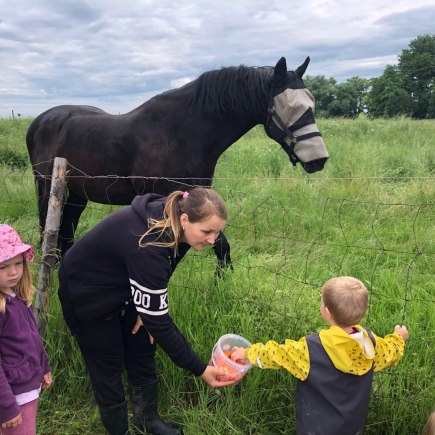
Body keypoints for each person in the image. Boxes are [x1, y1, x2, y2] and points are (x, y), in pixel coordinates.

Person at [58, 188, 237, 435]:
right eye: (207, 231)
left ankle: (147, 419)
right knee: (108, 364)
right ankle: (119, 431)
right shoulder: (150, 243)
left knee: (143, 346)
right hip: (86, 294)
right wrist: (200, 369)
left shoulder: (178, 223)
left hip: (124, 285)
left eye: (218, 232)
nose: (213, 239)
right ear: (185, 219)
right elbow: (161, 323)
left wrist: (147, 305)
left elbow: (167, 266)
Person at [231, 276, 409, 435]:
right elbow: (390, 352)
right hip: (352, 426)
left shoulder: (310, 349)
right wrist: (399, 338)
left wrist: (247, 353)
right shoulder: (370, 343)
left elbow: (276, 354)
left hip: (316, 428)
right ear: (362, 313)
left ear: (327, 312)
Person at [0, 224, 52, 435]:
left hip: (27, 385)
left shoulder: (18, 296)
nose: (13, 272)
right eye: (3, 266)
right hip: (12, 394)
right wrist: (6, 406)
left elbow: (33, 338)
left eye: (18, 263)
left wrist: (44, 366)